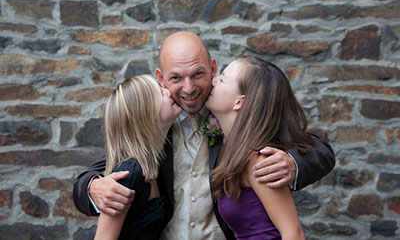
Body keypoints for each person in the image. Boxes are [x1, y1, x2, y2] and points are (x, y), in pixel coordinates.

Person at [73, 32, 335, 239]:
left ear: (212, 67)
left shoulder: (237, 119)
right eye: (176, 77)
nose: (188, 88)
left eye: (198, 74)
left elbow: (320, 150)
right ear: (161, 78)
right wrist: (93, 187)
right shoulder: (152, 125)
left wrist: (292, 163)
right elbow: (90, 177)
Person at [207, 55, 311, 239]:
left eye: (222, 79)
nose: (213, 80)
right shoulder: (235, 150)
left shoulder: (257, 157)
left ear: (240, 101)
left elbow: (294, 233)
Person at [94, 75, 182, 239]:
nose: (168, 92)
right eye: (160, 92)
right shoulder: (130, 173)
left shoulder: (153, 164)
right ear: (146, 113)